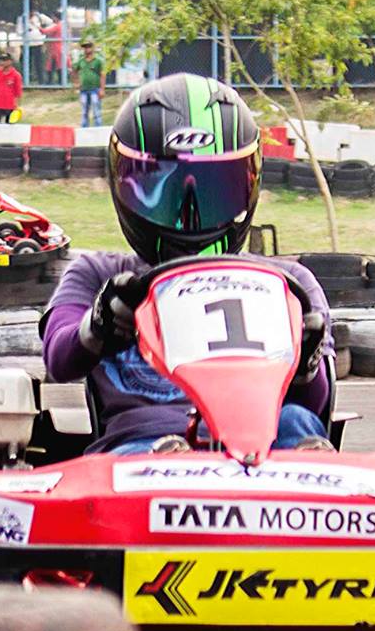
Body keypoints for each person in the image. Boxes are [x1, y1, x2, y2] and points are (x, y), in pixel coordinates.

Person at [41, 75, 332, 455]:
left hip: (266, 443)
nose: (190, 215)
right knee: (145, 447)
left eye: (213, 191)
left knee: (296, 420)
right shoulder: (99, 275)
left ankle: (304, 468)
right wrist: (97, 326)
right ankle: (174, 462)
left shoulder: (288, 284)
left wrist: (305, 362)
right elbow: (58, 359)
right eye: (164, 193)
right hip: (141, 443)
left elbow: (318, 404)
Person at [74, 40, 107, 127]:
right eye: (85, 47)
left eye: (88, 47)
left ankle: (98, 127)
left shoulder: (97, 61)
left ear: (92, 48)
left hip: (95, 89)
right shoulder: (81, 61)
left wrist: (102, 89)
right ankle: (84, 128)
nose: (86, 49)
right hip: (84, 89)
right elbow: (75, 71)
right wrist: (76, 83)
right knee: (84, 110)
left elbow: (102, 75)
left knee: (96, 110)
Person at [0, 52, 23, 124]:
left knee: (10, 125)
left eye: (5, 60)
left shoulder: (16, 75)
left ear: (10, 61)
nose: (2, 62)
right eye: (1, 60)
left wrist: (17, 105)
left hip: (10, 105)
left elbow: (18, 92)